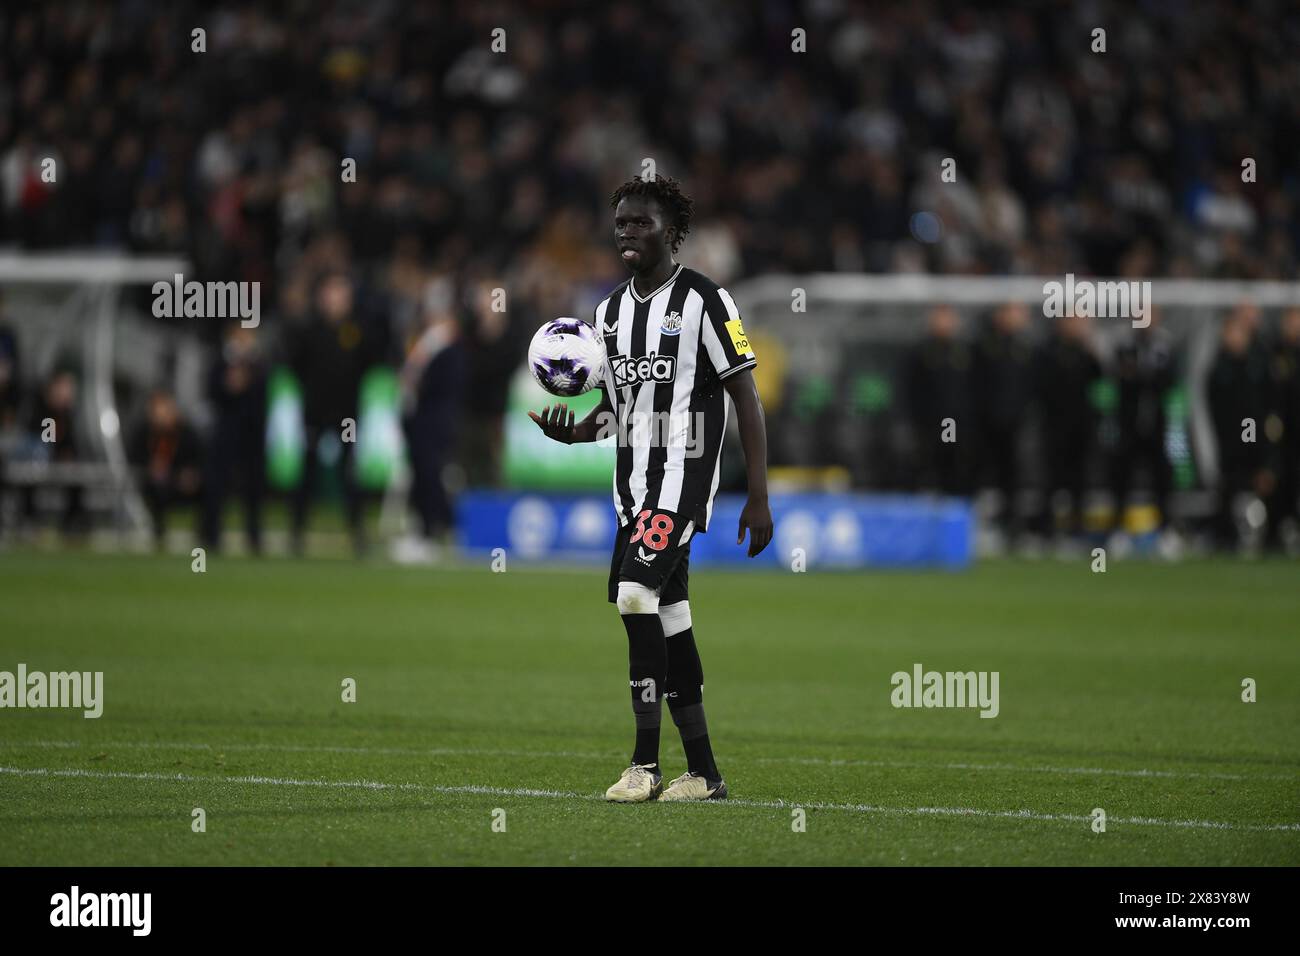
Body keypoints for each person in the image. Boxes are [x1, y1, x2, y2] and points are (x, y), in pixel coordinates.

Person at [529, 174, 773, 803]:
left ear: (674, 231)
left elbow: (746, 395)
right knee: (670, 618)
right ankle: (705, 774)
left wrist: (759, 495)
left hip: (683, 484)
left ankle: (643, 765)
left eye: (641, 222)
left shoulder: (707, 301)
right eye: (621, 224)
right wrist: (574, 434)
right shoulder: (605, 314)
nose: (628, 233)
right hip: (631, 493)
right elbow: (617, 407)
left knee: (635, 594)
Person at [202, 323, 268, 554]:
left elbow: (265, 396)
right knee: (217, 484)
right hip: (226, 431)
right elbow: (210, 392)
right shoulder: (220, 361)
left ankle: (254, 536)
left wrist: (247, 383)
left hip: (252, 432)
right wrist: (227, 385)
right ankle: (210, 535)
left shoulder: (260, 364)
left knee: (253, 487)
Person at [904, 304, 971, 495]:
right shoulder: (921, 353)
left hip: (954, 422)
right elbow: (912, 388)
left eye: (947, 319)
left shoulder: (964, 352)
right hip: (929, 422)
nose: (944, 324)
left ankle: (952, 505)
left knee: (954, 464)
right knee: (925, 463)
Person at [131, 390, 203, 547]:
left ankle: (205, 534)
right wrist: (150, 468)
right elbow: (135, 457)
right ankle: (159, 533)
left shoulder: (186, 432)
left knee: (208, 486)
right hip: (156, 483)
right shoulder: (144, 433)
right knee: (155, 487)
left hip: (180, 480)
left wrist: (189, 474)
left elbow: (198, 458)